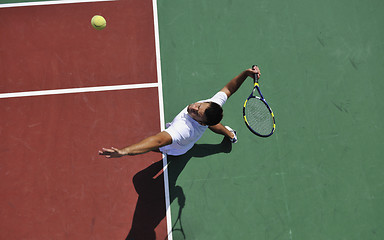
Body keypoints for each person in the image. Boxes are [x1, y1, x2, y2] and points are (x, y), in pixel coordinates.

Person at [99, 65, 261, 158]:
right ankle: (230, 134)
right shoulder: (210, 106)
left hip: (177, 148)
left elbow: (157, 140)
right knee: (213, 124)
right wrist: (246, 74)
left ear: (199, 121)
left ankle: (228, 135)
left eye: (197, 112)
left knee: (158, 148)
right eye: (199, 105)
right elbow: (229, 89)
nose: (193, 107)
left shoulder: (183, 129)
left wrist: (125, 151)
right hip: (203, 125)